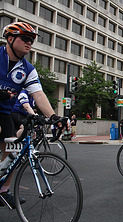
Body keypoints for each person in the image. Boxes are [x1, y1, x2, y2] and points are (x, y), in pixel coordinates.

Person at [0, 22, 61, 208]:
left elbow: (38, 94)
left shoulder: (27, 69)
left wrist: (54, 117)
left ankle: (3, 191)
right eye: (25, 39)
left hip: (4, 112)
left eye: (32, 41)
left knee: (12, 149)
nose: (29, 44)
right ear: (10, 39)